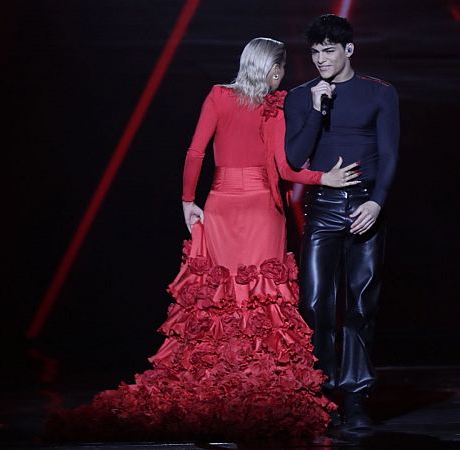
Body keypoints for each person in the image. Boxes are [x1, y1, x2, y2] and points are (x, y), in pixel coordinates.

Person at [46, 37, 361, 441]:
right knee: (261, 298)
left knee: (220, 298)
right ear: (276, 69)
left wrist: (187, 201)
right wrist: (324, 178)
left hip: (221, 206)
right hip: (262, 209)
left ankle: (220, 380)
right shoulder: (273, 106)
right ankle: (257, 384)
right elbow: (284, 168)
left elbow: (195, 153)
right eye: (281, 69)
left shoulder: (218, 96)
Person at [284, 14, 400, 430]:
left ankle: (354, 397)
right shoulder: (300, 97)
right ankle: (322, 389)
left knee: (360, 303)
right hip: (322, 206)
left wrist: (377, 203)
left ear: (348, 50)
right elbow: (294, 160)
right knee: (314, 302)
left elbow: (389, 153)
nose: (321, 59)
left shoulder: (379, 93)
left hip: (365, 206)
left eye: (328, 50)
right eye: (314, 52)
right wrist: (317, 110)